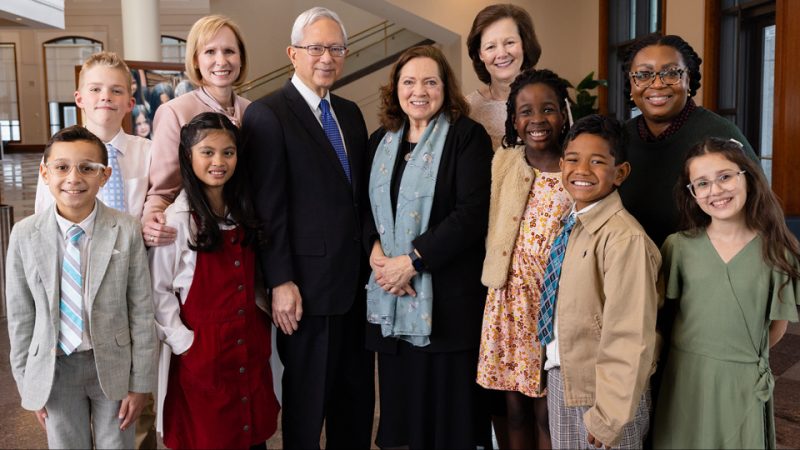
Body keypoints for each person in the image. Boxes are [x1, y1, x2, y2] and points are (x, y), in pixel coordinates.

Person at [240, 7, 374, 448]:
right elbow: (267, 209)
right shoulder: (268, 114)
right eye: (316, 47)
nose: (327, 58)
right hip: (306, 292)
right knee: (307, 407)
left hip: (357, 288)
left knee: (354, 405)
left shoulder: (351, 114)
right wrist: (280, 280)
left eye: (336, 48)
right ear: (292, 53)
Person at [364, 44, 493, 448]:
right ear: (396, 89)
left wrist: (412, 262)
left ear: (445, 87)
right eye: (409, 81)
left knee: (448, 425)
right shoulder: (379, 140)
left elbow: (471, 214)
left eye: (430, 81)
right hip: (392, 295)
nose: (419, 91)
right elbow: (363, 206)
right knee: (403, 418)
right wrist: (378, 257)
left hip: (447, 304)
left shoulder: (466, 137)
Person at [6, 125, 156, 449]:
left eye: (87, 168)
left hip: (115, 368)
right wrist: (28, 383)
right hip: (55, 371)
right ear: (45, 173)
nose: (74, 178)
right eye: (62, 167)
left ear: (104, 176)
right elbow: (20, 317)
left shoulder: (126, 229)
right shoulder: (23, 234)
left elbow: (142, 312)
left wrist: (141, 383)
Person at [653, 137, 800, 449]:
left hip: (742, 380)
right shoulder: (678, 247)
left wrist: (739, 359)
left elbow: (777, 327)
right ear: (691, 194)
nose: (716, 191)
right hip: (686, 378)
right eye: (702, 183)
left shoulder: (777, 252)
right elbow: (665, 317)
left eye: (725, 177)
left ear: (747, 176)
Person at [150, 112, 280, 449]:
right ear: (188, 156)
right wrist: (185, 344)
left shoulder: (243, 212)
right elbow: (158, 291)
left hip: (248, 350)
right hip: (202, 356)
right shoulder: (177, 220)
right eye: (207, 152)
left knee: (253, 435)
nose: (218, 162)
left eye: (228, 152)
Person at [544, 115, 660, 449]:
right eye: (572, 159)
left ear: (620, 173)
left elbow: (630, 334)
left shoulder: (625, 239)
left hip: (605, 394)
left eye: (597, 162)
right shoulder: (571, 222)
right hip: (566, 378)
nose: (581, 170)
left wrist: (610, 415)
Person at [478, 68, 573, 450]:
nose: (537, 119)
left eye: (548, 109)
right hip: (507, 303)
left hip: (552, 308)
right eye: (525, 111)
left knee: (548, 410)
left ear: (564, 114)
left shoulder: (576, 165)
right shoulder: (505, 161)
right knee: (512, 408)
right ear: (514, 120)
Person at [618, 33, 759, 247]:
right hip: (631, 267)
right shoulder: (618, 140)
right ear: (631, 82)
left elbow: (759, 210)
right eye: (644, 75)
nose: (657, 84)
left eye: (671, 73)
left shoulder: (720, 134)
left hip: (703, 268)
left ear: (689, 79)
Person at [142, 14, 250, 248]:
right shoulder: (174, 112)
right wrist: (151, 219)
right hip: (200, 237)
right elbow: (163, 189)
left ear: (241, 57)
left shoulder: (253, 111)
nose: (221, 61)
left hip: (248, 233)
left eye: (229, 51)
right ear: (195, 60)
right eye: (210, 52)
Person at [35, 51, 152, 219]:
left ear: (130, 103)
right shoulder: (57, 154)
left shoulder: (149, 153)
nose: (105, 97)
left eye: (116, 91)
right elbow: (43, 213)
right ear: (79, 99)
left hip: (136, 243)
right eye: (95, 89)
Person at [466, 3, 541, 150]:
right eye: (490, 47)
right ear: (481, 54)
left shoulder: (551, 98)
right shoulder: (468, 108)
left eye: (510, 42)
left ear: (524, 45)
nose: (501, 54)